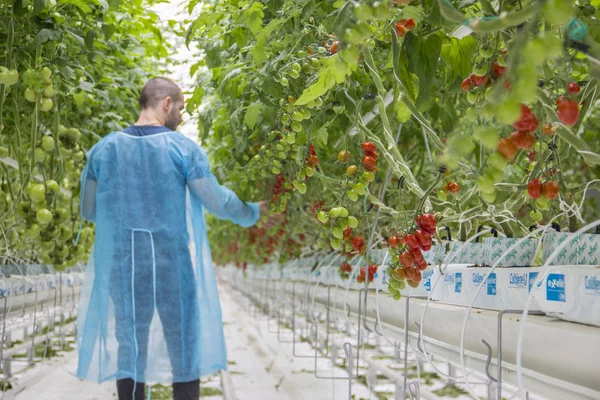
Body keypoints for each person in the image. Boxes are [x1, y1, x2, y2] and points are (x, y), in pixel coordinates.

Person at [76, 77, 277, 400]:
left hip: (125, 267)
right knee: (182, 344)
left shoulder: (104, 150)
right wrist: (252, 211)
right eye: (181, 109)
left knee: (131, 345)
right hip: (171, 264)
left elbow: (89, 210)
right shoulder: (182, 149)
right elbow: (216, 200)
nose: (181, 117)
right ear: (166, 104)